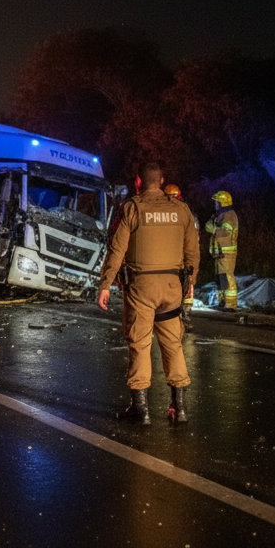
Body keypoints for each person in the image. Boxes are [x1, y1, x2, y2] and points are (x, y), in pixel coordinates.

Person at [96, 162, 198, 425]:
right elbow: (192, 253)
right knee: (173, 345)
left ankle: (140, 410)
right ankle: (180, 408)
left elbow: (117, 250)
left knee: (140, 344)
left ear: (138, 182)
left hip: (141, 288)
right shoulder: (181, 210)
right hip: (172, 288)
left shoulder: (132, 208)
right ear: (162, 181)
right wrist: (190, 283)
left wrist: (105, 284)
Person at [164, 184, 195, 330]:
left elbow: (193, 238)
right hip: (169, 255)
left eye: (171, 197)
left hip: (180, 256)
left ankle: (184, 314)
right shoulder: (166, 212)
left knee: (186, 283)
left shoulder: (186, 213)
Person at [205, 191, 239, 310]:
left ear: (222, 203)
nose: (215, 204)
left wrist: (214, 229)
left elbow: (226, 231)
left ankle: (230, 305)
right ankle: (222, 302)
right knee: (221, 278)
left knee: (227, 277)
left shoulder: (229, 215)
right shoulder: (219, 215)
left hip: (227, 252)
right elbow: (208, 225)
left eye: (216, 202)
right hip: (219, 252)